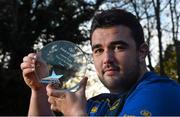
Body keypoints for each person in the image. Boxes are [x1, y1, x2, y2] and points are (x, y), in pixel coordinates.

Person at [20, 9, 180, 116]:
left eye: (118, 47)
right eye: (98, 50)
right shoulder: (97, 104)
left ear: (142, 51)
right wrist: (39, 89)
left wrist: (77, 115)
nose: (107, 59)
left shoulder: (161, 93)